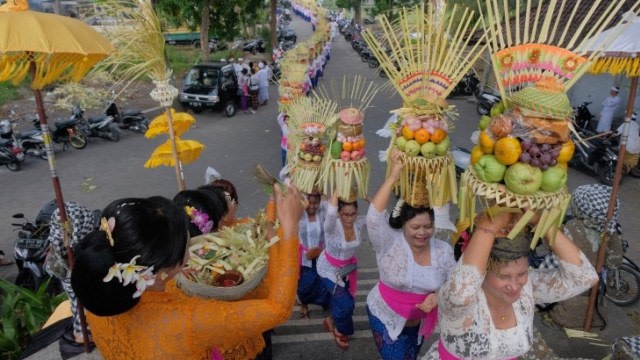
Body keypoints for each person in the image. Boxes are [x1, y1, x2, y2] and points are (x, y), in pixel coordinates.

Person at [71, 185, 304, 360]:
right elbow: (278, 309)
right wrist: (290, 228)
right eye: (186, 242)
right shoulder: (183, 320)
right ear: (161, 273)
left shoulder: (102, 285)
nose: (190, 248)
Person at [421, 210, 598, 359]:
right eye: (503, 276)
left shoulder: (528, 288)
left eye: (521, 273)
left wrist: (541, 221)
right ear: (482, 272)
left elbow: (584, 277)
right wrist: (489, 227)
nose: (514, 285)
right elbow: (461, 293)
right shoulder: (457, 299)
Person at [367, 150, 455, 359]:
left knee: (411, 355)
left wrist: (438, 296)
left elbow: (454, 284)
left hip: (420, 321)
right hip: (384, 313)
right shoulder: (389, 242)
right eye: (415, 227)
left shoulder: (443, 250)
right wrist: (393, 176)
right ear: (403, 225)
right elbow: (373, 219)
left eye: (428, 226)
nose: (422, 233)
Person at [44, 202, 99, 346]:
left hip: (71, 273)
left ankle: (82, 331)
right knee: (83, 306)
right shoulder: (80, 244)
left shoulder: (60, 242)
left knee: (78, 305)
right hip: (75, 274)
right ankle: (83, 333)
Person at [316, 192, 366, 349]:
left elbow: (381, 216)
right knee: (346, 304)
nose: (350, 218)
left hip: (347, 269)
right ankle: (340, 330)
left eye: (353, 214)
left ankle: (331, 319)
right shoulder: (331, 226)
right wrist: (338, 189)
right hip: (328, 269)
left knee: (345, 302)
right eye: (345, 214)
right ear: (339, 213)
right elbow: (330, 214)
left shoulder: (358, 223)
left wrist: (367, 196)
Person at [297, 192, 331, 319]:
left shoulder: (323, 212)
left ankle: (323, 302)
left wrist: (322, 191)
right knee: (304, 285)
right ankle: (304, 304)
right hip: (304, 258)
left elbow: (333, 209)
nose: (312, 206)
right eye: (309, 202)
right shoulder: (299, 214)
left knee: (323, 282)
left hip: (322, 254)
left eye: (315, 202)